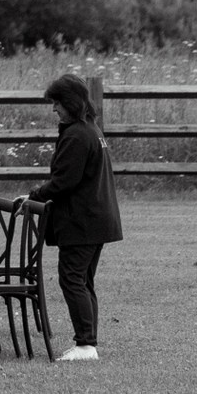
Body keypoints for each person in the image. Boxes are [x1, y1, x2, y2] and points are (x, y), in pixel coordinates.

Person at [28, 73, 122, 362]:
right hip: (98, 219)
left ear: (70, 102)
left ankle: (85, 345)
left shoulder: (77, 135)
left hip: (82, 221)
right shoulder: (90, 129)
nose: (54, 109)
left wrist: (35, 193)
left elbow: (64, 181)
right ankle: (88, 342)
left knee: (71, 279)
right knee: (83, 280)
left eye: (57, 102)